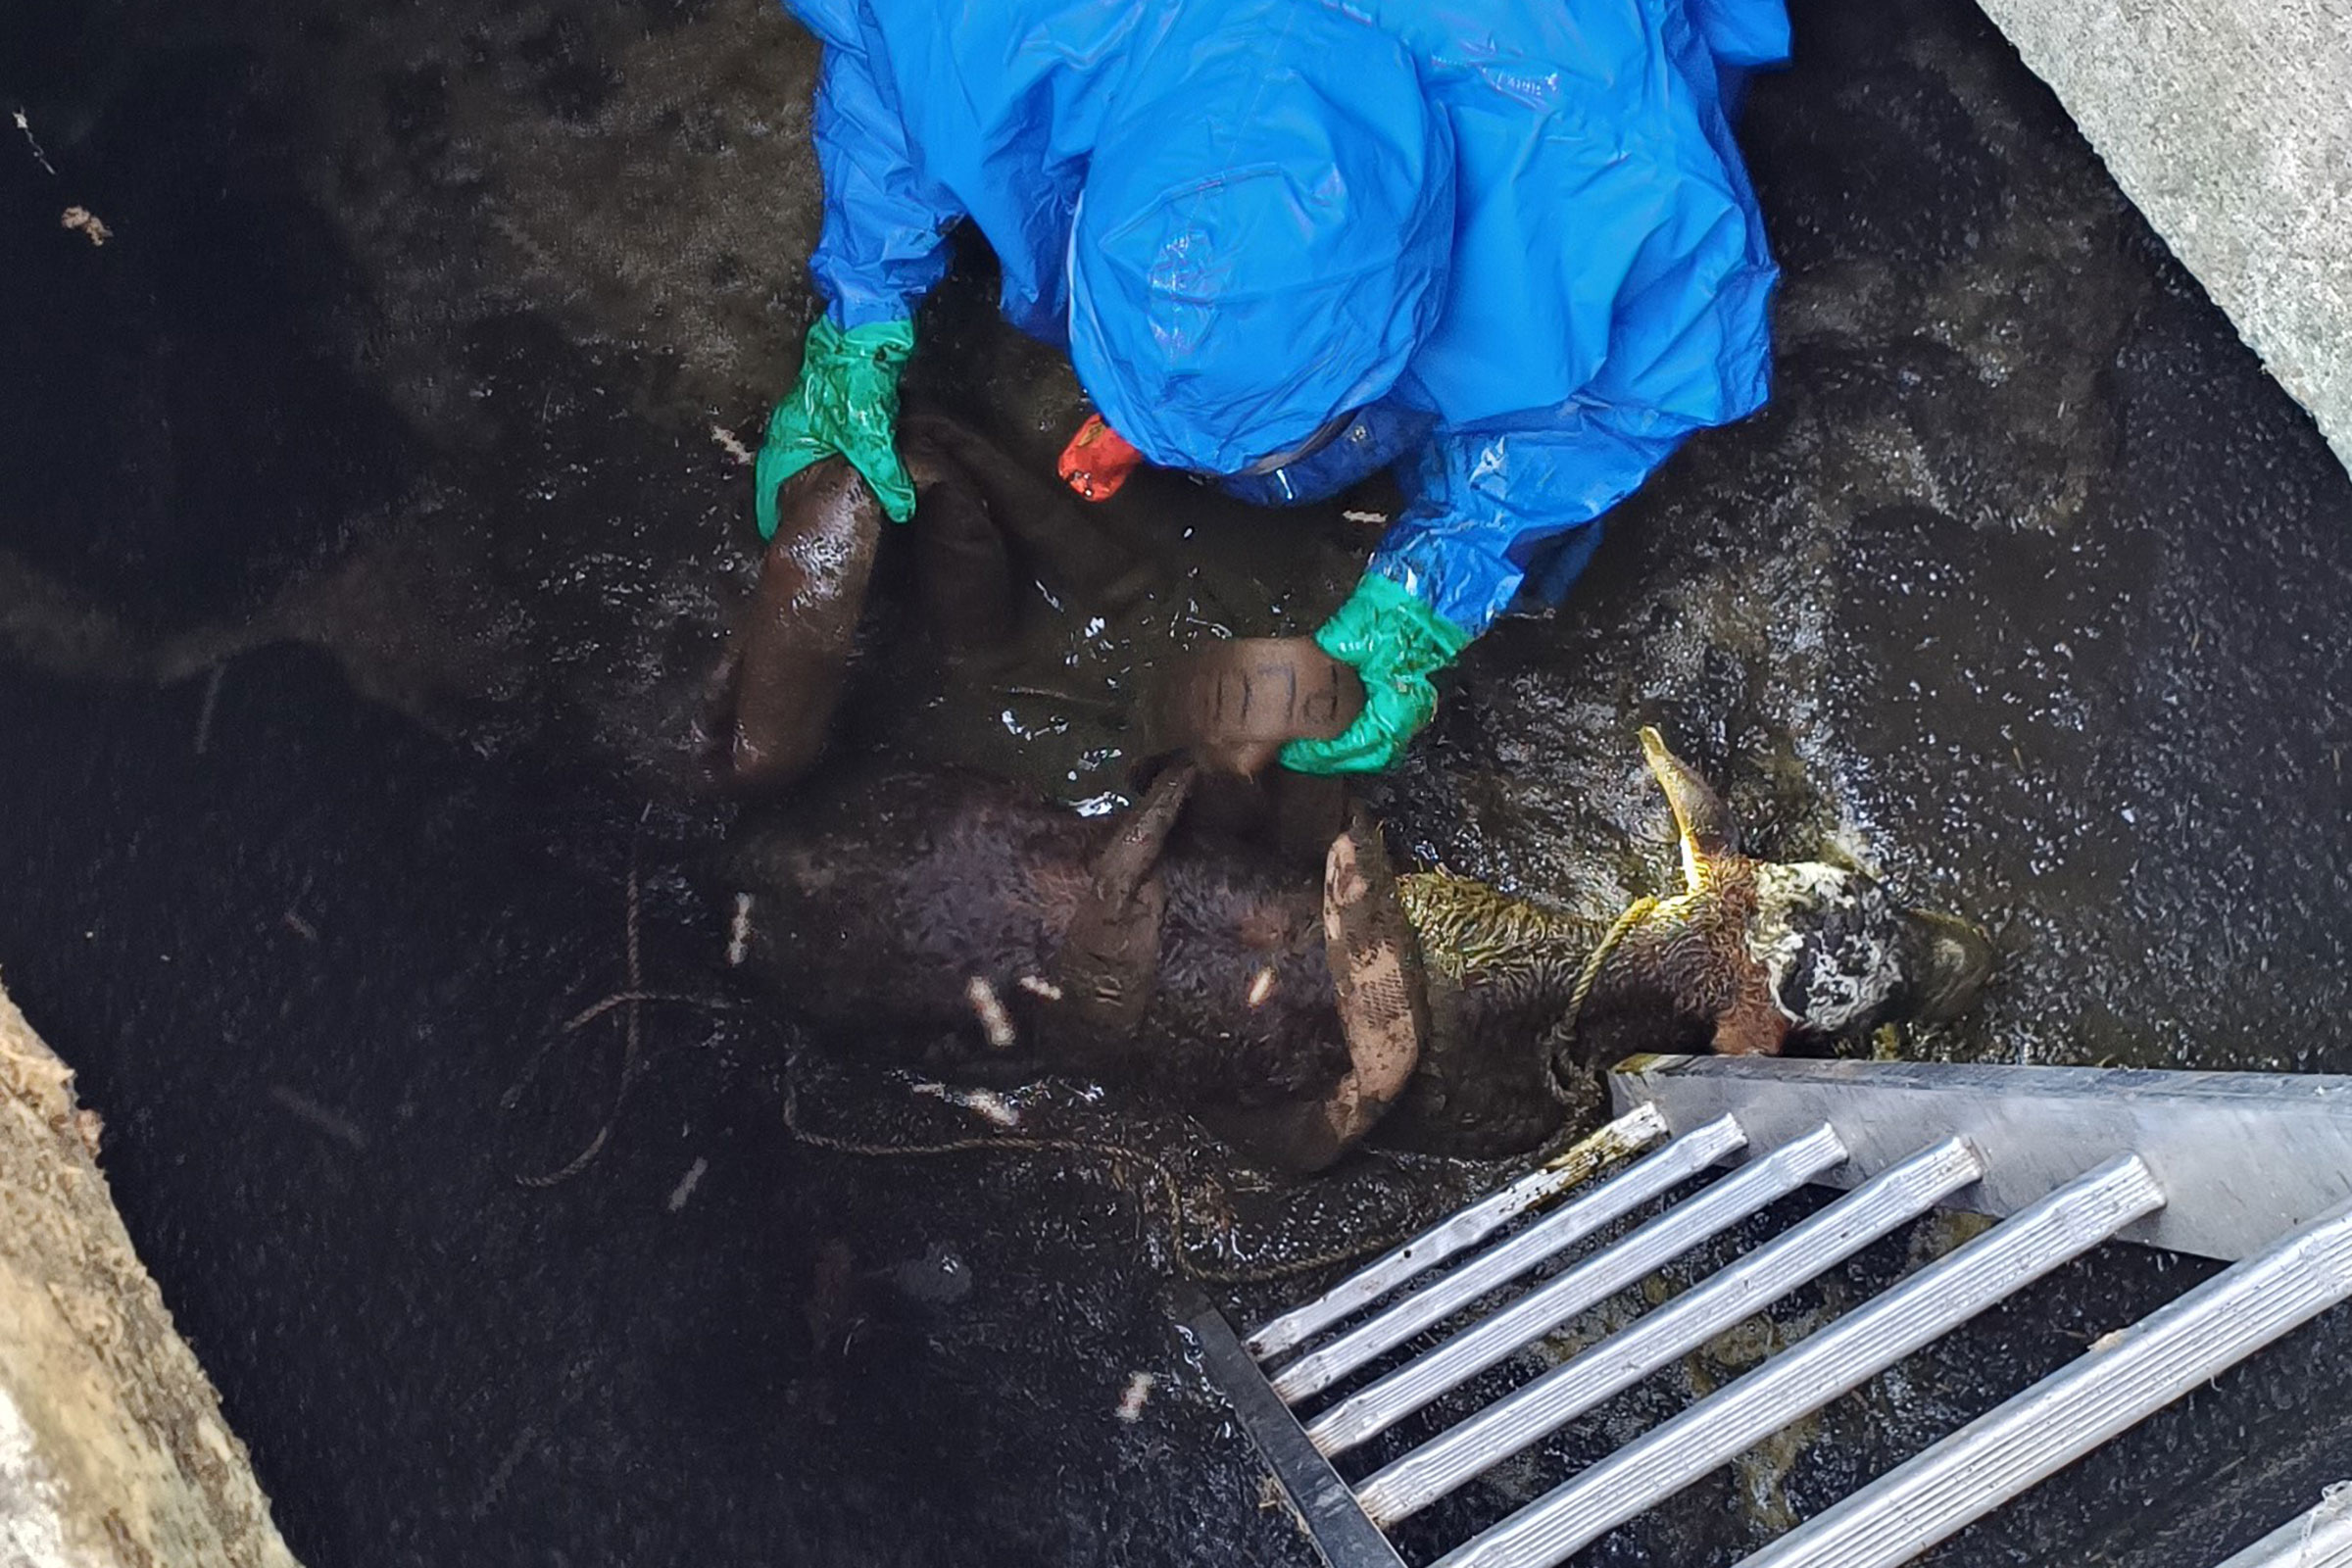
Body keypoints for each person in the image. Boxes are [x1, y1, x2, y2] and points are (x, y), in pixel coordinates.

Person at [756, 0, 1788, 773]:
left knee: (1558, 449)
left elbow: (1626, 398)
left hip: (1566, 59)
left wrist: (1446, 581)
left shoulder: (1625, 202)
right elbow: (898, 70)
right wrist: (863, 315)